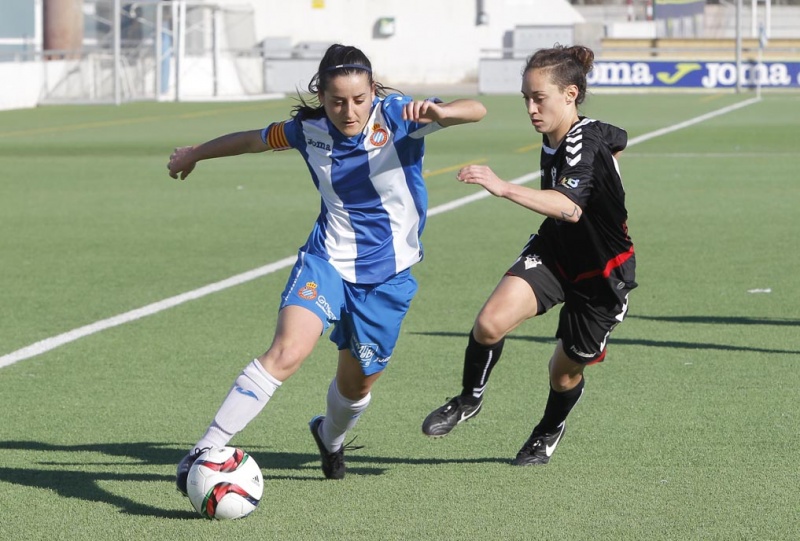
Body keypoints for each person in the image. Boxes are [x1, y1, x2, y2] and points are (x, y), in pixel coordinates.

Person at [167, 43, 486, 488]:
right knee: (287, 352)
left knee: (355, 390)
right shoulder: (307, 130)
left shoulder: (396, 117)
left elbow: (476, 110)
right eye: (337, 101)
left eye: (358, 99)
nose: (349, 111)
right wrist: (195, 153)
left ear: (373, 90)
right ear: (322, 97)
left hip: (388, 279)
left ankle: (329, 438)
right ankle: (203, 450)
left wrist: (438, 112)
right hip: (327, 262)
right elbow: (249, 141)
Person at [421, 44, 636, 466]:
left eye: (540, 98)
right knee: (488, 324)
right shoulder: (569, 129)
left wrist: (502, 187)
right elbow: (619, 138)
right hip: (556, 252)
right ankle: (469, 398)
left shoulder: (580, 143)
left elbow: (570, 207)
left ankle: (548, 430)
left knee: (563, 373)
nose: (531, 108)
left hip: (602, 275)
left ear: (570, 94)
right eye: (526, 98)